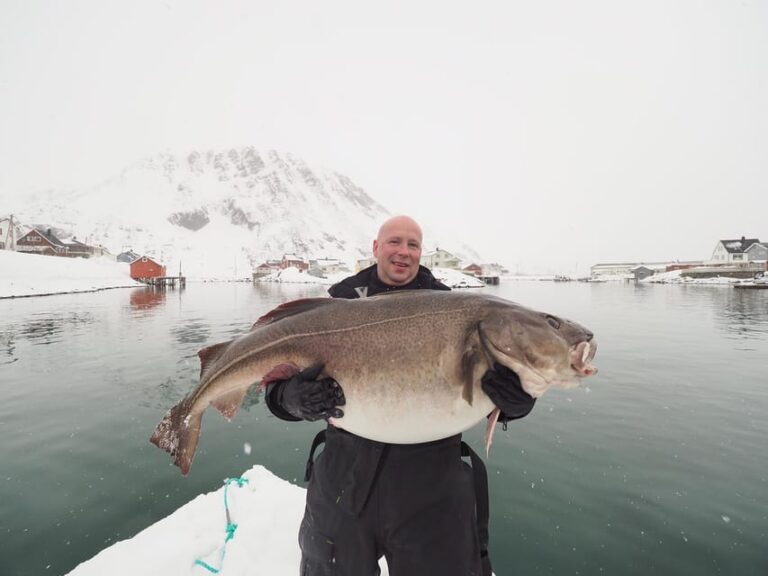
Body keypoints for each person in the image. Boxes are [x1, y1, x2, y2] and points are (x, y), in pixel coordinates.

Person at [265, 215, 536, 576]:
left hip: (433, 484)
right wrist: (290, 399)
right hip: (344, 478)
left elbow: (492, 383)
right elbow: (275, 385)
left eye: (413, 245)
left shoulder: (453, 309)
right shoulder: (337, 303)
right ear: (376, 247)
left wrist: (515, 402)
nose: (403, 252)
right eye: (394, 242)